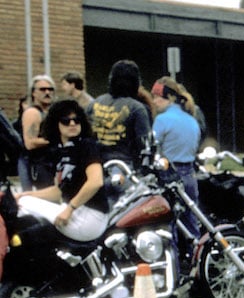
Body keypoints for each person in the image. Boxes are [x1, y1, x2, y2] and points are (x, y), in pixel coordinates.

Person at [15, 99, 109, 245]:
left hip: (90, 217)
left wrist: (69, 209)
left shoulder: (87, 145)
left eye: (76, 120)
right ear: (56, 124)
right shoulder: (62, 151)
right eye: (66, 121)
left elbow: (95, 182)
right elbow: (59, 192)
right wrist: (27, 193)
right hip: (77, 212)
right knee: (23, 201)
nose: (72, 124)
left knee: (22, 209)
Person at [151, 76, 202, 244]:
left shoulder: (161, 120)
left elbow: (153, 149)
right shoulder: (191, 120)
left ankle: (174, 267)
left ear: (169, 97)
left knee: (168, 226)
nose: (154, 101)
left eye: (157, 97)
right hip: (189, 176)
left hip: (169, 177)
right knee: (190, 223)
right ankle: (196, 262)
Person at [89, 59, 152, 166]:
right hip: (124, 167)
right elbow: (145, 144)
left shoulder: (94, 103)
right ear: (136, 82)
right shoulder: (137, 108)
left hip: (95, 164)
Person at [19, 75, 57, 190]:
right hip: (37, 165)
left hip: (50, 163)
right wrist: (57, 139)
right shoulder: (33, 113)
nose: (47, 92)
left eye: (50, 89)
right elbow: (30, 143)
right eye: (42, 89)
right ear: (33, 93)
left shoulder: (51, 112)